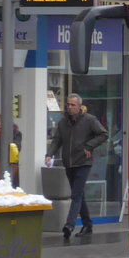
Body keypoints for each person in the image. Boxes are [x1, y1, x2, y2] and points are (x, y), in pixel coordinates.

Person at [45, 93, 108, 240]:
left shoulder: (89, 120)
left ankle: (70, 224)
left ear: (80, 107)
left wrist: (89, 146)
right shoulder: (63, 123)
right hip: (69, 162)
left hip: (83, 162)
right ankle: (88, 224)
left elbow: (103, 134)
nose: (69, 107)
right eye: (68, 104)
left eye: (73, 105)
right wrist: (49, 154)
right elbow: (57, 141)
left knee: (76, 194)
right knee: (78, 194)